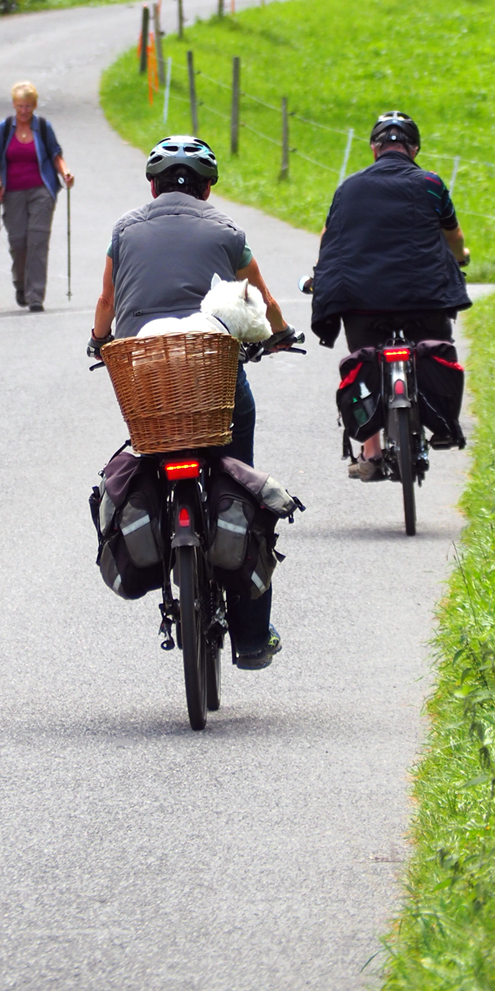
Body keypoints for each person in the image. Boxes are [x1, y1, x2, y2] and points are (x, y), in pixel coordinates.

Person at [88, 135, 290, 670]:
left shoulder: (124, 230)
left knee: (150, 443)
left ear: (152, 186)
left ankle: (157, 540)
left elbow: (107, 301)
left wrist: (99, 339)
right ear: (207, 187)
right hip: (209, 380)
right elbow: (261, 300)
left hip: (148, 378)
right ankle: (250, 639)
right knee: (240, 477)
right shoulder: (228, 232)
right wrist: (281, 334)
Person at [309, 111, 471, 479]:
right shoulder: (431, 183)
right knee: (435, 349)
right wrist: (460, 260)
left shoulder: (348, 188)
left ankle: (371, 451)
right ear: (414, 149)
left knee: (364, 358)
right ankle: (441, 424)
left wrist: (321, 275)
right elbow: (454, 237)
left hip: (362, 299)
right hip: (424, 296)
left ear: (373, 149)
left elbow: (328, 239)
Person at [0, 81, 73, 312]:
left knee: (38, 241)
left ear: (34, 105)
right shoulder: (5, 128)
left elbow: (56, 155)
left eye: (27, 106)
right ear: (14, 106)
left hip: (41, 191)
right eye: (19, 106)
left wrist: (65, 172)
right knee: (18, 243)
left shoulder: (43, 127)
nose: (23, 111)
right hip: (12, 193)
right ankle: (20, 284)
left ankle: (35, 295)